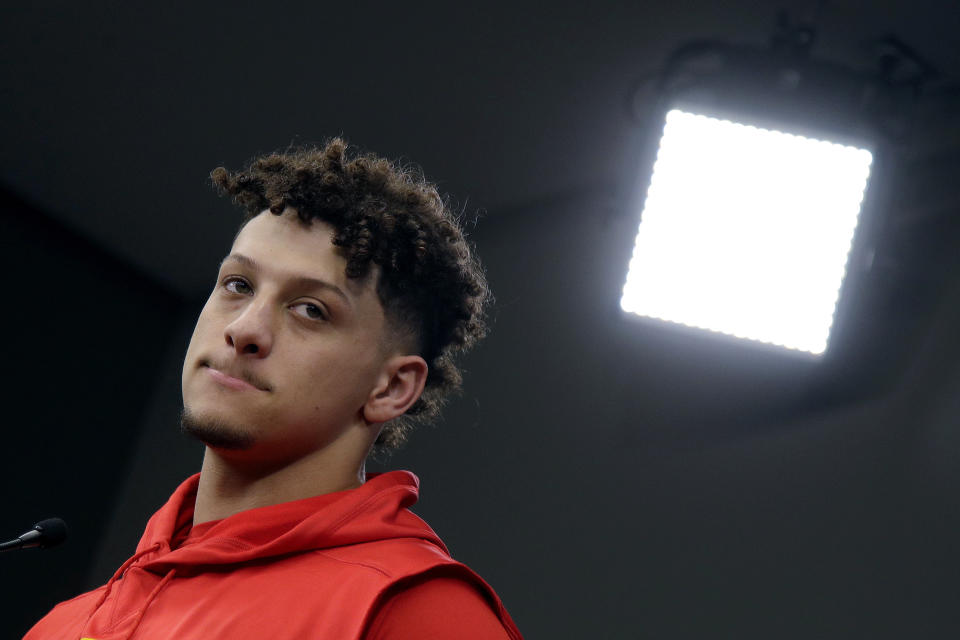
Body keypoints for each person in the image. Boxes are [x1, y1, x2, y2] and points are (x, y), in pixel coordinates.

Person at [24, 139, 523, 640]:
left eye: (311, 310)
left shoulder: (421, 612)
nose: (244, 329)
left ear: (391, 387)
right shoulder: (60, 626)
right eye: (238, 284)